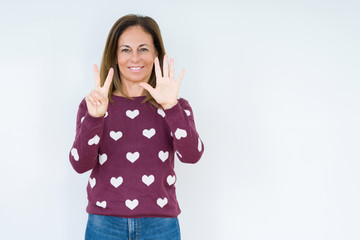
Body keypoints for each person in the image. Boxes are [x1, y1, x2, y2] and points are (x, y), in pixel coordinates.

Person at [69, 14, 204, 240]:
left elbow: (192, 155)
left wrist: (171, 107)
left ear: (156, 55)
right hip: (104, 223)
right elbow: (80, 164)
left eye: (143, 49)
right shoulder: (93, 106)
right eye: (125, 50)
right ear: (114, 55)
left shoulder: (176, 106)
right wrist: (95, 118)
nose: (135, 58)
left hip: (161, 224)